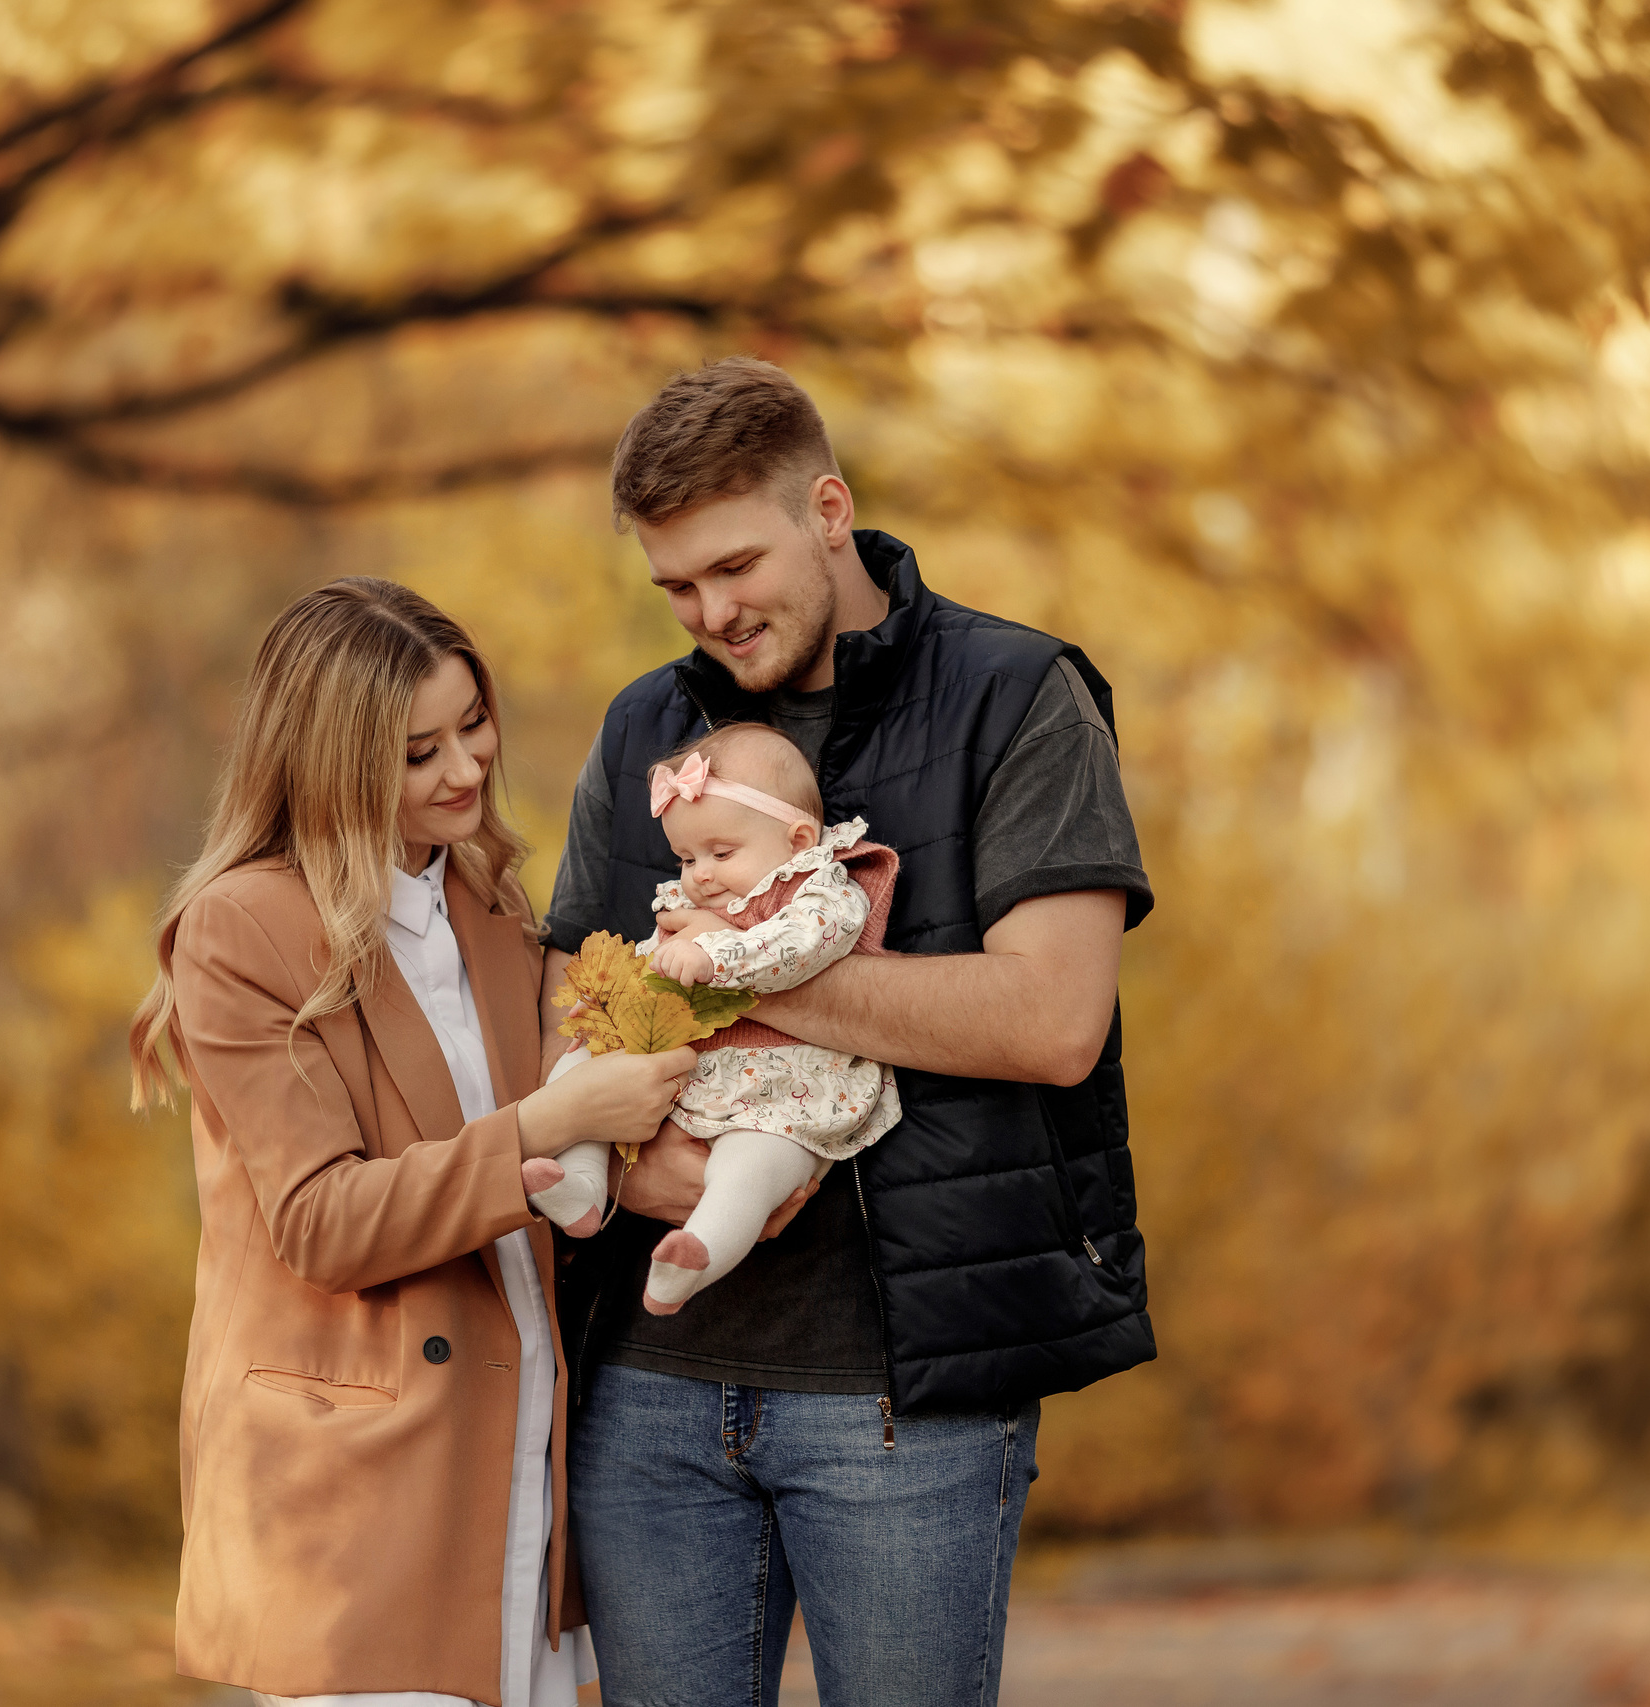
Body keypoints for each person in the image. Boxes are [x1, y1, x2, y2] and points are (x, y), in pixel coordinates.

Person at [546, 358, 1156, 1705]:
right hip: (645, 1390)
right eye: (677, 588)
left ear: (829, 507)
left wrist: (731, 977)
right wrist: (632, 1155)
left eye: (733, 566)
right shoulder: (648, 723)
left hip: (906, 1399)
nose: (710, 613)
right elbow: (576, 986)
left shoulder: (1018, 696)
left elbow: (1054, 1018)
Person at [127, 578, 695, 1705]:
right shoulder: (243, 928)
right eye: (418, 751)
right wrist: (547, 1127)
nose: (466, 770)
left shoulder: (485, 899)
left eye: (473, 725)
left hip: (518, 1453)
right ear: (331, 760)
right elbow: (322, 1222)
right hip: (352, 1495)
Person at [527, 722, 903, 1314]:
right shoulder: (695, 902)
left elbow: (802, 948)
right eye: (685, 857)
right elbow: (659, 958)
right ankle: (580, 1184)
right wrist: (612, 1000)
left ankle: (698, 1250)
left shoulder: (823, 891)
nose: (699, 873)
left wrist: (715, 949)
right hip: (693, 1067)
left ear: (799, 839)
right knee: (582, 1059)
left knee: (756, 1160)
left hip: (785, 1083)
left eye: (720, 853)